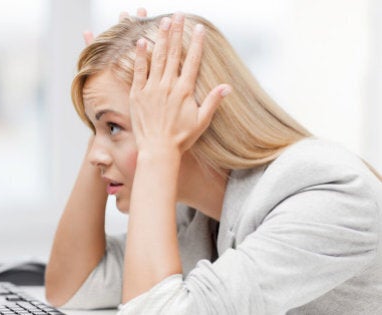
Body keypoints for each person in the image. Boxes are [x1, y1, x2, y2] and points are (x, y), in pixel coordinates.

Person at [44, 11, 382, 314]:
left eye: (114, 127)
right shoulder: (197, 210)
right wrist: (103, 113)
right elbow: (72, 287)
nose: (95, 157)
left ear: (187, 116)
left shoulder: (325, 193)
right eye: (95, 130)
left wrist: (157, 151)